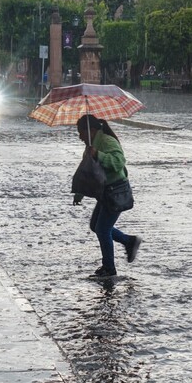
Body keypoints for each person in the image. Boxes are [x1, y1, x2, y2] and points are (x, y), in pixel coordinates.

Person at [74, 114, 141, 278]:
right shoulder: (91, 145)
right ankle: (129, 241)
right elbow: (87, 171)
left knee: (102, 229)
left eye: (81, 131)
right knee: (95, 226)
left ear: (91, 130)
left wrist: (99, 155)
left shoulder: (106, 141)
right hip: (105, 192)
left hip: (115, 191)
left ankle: (109, 267)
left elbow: (119, 162)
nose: (79, 136)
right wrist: (79, 193)